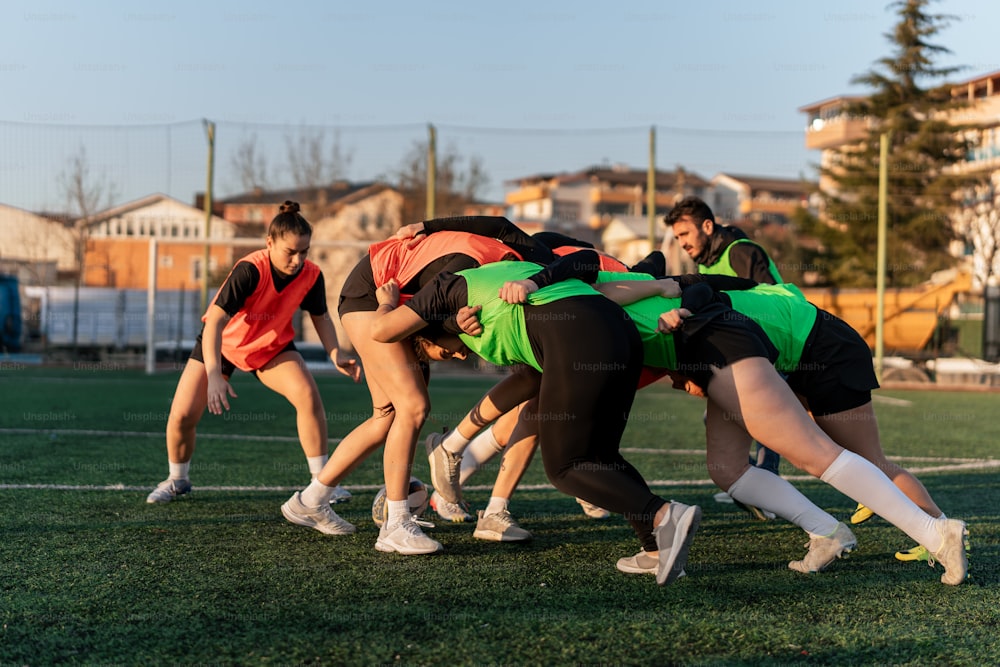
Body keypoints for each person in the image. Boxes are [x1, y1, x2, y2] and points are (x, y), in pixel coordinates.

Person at [580, 270, 968, 584]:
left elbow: (686, 291)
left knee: (849, 458)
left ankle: (937, 532)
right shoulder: (668, 291)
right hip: (766, 352)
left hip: (821, 346)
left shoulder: (667, 288)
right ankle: (827, 533)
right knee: (727, 469)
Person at [369, 259, 703, 585]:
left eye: (440, 352)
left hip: (579, 334)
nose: (457, 355)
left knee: (565, 467)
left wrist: (386, 303)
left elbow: (381, 330)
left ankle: (664, 514)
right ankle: (655, 548)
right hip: (618, 329)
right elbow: (528, 378)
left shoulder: (443, 288)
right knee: (602, 457)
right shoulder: (504, 279)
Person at [281, 216, 555, 555]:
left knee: (386, 416)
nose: (457, 357)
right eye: (456, 350)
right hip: (372, 299)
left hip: (383, 297)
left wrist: (453, 322)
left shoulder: (499, 269)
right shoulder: (467, 272)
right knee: (413, 406)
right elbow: (387, 324)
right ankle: (395, 525)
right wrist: (423, 235)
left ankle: (310, 500)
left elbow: (498, 226)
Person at [146, 201, 361, 508]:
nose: (298, 260)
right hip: (221, 345)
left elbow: (320, 315)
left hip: (270, 348)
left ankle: (321, 483)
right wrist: (213, 375)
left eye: (305, 251)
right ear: (269, 243)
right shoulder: (249, 270)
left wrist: (335, 352)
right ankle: (177, 480)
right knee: (181, 415)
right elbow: (215, 321)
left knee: (307, 394)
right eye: (291, 252)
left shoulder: (312, 274)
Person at [665, 195, 783, 517]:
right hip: (745, 350)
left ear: (707, 226)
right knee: (726, 418)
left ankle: (765, 487)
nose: (682, 243)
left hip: (773, 347)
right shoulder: (706, 263)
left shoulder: (741, 252)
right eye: (677, 238)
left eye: (685, 234)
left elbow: (770, 299)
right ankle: (751, 482)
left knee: (766, 422)